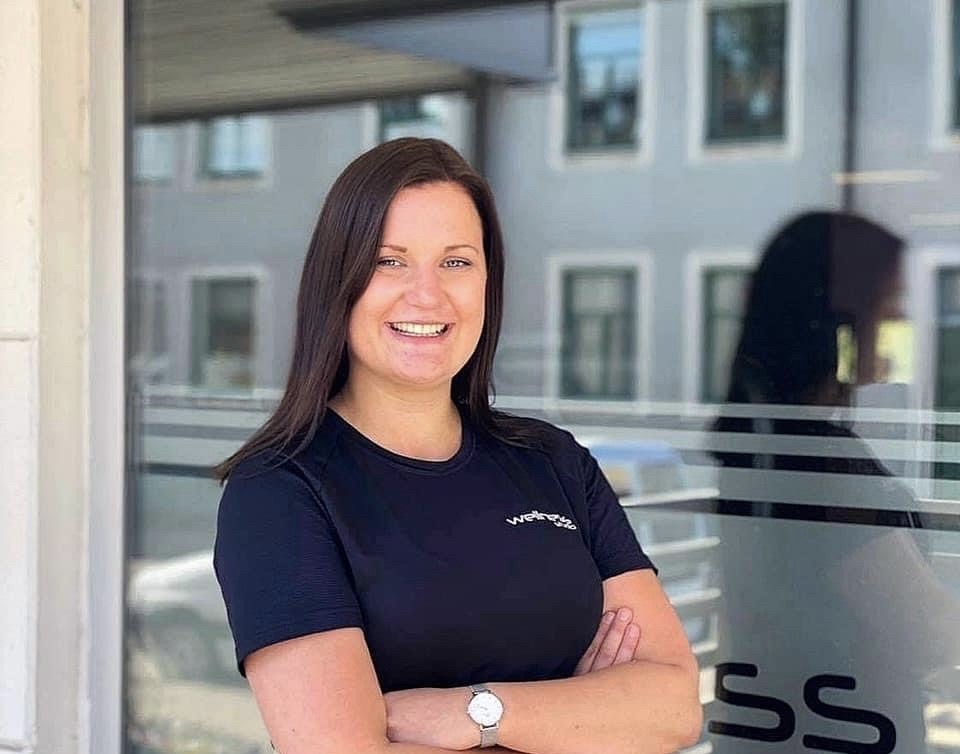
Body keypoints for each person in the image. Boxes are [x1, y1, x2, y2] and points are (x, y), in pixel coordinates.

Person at [212, 138, 702, 754]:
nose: (428, 295)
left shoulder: (554, 462)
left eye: (456, 262)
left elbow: (675, 707)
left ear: (487, 283)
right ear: (339, 281)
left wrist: (477, 713)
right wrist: (587, 718)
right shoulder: (280, 492)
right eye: (390, 261)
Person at [710, 211, 960, 753]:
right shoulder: (819, 466)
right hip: (845, 733)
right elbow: (926, 632)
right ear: (835, 322)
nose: (900, 320)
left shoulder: (770, 445)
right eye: (890, 304)